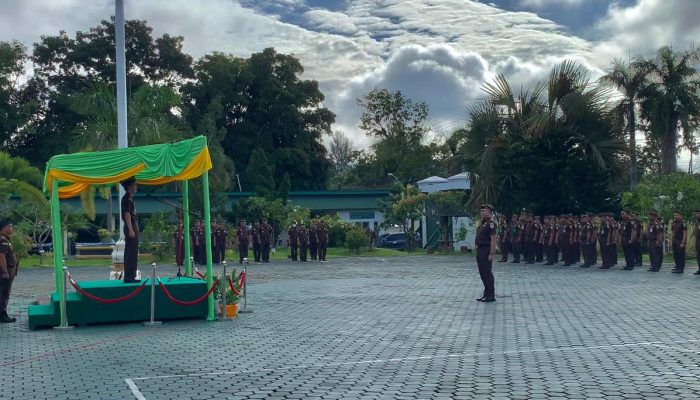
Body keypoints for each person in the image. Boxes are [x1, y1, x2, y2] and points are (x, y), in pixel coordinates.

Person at [475, 204, 497, 303]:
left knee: (487, 272)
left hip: (486, 249)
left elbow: (493, 239)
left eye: (484, 211)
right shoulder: (483, 223)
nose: (482, 212)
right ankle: (486, 293)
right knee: (482, 272)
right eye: (481, 211)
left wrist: (491, 253)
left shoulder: (491, 224)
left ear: (490, 213)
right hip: (480, 249)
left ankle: (491, 294)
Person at [120, 177, 141, 283]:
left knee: (132, 250)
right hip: (131, 225)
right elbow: (127, 214)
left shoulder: (130, 198)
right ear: (129, 186)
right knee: (131, 251)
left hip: (133, 225)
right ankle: (129, 277)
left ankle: (130, 275)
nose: (136, 187)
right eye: (134, 185)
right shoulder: (126, 198)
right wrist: (131, 229)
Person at [0, 219, 17, 322]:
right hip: (6, 270)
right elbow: (1, 256)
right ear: (3, 228)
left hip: (9, 269)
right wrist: (5, 271)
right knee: (4, 293)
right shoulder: (3, 240)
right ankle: (3, 315)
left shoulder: (5, 239)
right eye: (9, 226)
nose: (11, 228)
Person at [694, 210, 700, 275]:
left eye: (698, 213)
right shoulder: (696, 221)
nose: (696, 215)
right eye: (696, 214)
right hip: (697, 240)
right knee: (698, 255)